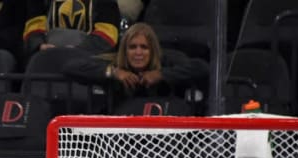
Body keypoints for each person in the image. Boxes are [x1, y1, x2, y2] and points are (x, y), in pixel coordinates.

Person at [60, 22, 208, 114]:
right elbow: (70, 66)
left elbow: (201, 67)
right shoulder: (114, 64)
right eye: (132, 47)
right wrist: (113, 72)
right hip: (119, 139)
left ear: (153, 50)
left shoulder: (168, 60)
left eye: (144, 47)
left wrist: (162, 74)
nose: (138, 53)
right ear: (124, 50)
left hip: (167, 138)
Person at [23, 0, 121, 65]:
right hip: (47, 57)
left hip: (89, 61)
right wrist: (40, 46)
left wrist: (76, 50)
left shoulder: (107, 2)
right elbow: (33, 28)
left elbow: (108, 36)